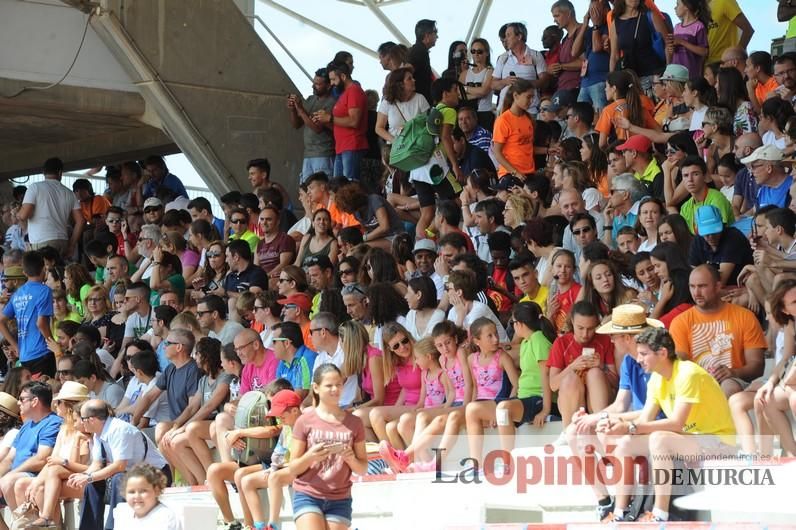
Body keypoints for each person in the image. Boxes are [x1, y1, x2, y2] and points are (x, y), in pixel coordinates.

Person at [598, 327, 735, 522]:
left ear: (662, 353)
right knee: (625, 444)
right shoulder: (657, 378)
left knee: (659, 439)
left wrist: (630, 427)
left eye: (644, 354)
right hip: (690, 440)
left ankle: (660, 514)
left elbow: (677, 423)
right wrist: (617, 423)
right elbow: (644, 420)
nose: (638, 360)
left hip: (718, 441)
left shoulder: (689, 373)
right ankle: (619, 513)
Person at [566, 304, 664, 522]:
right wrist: (591, 418)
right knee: (575, 432)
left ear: (627, 338)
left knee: (606, 431)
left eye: (614, 335)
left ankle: (623, 505)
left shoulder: (655, 358)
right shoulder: (629, 361)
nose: (610, 340)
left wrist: (601, 418)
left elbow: (651, 412)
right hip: (637, 426)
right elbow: (620, 404)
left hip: (656, 429)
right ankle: (605, 502)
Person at [69, 399, 170, 530]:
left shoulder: (120, 430)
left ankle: (113, 527)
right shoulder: (98, 434)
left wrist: (89, 477)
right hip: (132, 475)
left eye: (82, 418)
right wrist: (83, 476)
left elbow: (119, 466)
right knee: (92, 483)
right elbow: (97, 463)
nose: (81, 422)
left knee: (118, 478)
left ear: (91, 419)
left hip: (157, 475)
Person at [288, 364, 367, 530]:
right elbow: (293, 468)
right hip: (307, 493)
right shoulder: (304, 421)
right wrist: (311, 456)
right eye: (329, 385)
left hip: (340, 497)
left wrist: (350, 458)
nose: (335, 389)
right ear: (316, 388)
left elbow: (362, 469)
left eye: (338, 384)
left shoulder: (355, 423)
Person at [669, 265, 766, 398]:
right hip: (697, 383)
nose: (696, 293)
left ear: (718, 286)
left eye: (702, 286)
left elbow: (757, 366)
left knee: (728, 386)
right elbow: (680, 363)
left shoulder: (745, 316)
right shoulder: (680, 322)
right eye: (692, 286)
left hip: (736, 382)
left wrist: (733, 373)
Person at [0, 382, 63, 530]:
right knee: (7, 480)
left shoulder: (53, 423)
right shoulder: (26, 426)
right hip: (18, 477)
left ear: (35, 401)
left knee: (8, 481)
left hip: (37, 476)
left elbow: (42, 458)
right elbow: (9, 459)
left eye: (22, 399)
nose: (18, 402)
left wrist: (10, 475)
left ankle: (25, 524)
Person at [547, 301, 617, 431]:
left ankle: (601, 427)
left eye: (590, 329)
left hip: (598, 400)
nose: (585, 334)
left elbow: (616, 382)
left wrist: (601, 367)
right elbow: (553, 385)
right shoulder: (561, 343)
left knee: (594, 373)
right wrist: (572, 367)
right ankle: (569, 432)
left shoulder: (604, 341)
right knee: (570, 379)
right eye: (580, 328)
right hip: (572, 400)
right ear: (572, 322)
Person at [0, 251, 55, 377]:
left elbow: (1, 320)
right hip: (42, 352)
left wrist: (16, 346)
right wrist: (52, 344)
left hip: (24, 355)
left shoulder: (18, 294)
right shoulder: (44, 290)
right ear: (44, 269)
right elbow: (41, 323)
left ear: (24, 272)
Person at [312, 62, 368, 181]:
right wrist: (324, 119)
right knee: (338, 187)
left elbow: (354, 121)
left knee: (349, 185)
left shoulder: (354, 91)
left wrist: (330, 118)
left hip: (352, 145)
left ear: (343, 76)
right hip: (342, 147)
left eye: (333, 79)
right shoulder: (345, 93)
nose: (331, 84)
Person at [17, 158, 84, 257]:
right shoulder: (69, 193)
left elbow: (23, 215)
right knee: (58, 271)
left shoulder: (35, 187)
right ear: (60, 172)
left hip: (42, 241)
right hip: (62, 241)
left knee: (43, 272)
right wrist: (72, 245)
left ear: (43, 172)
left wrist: (17, 213)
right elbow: (81, 221)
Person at [288, 68, 336, 182]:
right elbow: (297, 125)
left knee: (322, 188)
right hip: (308, 154)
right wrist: (293, 110)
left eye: (318, 84)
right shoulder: (310, 99)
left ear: (328, 86)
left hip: (323, 153)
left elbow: (317, 128)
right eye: (313, 83)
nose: (314, 86)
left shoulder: (332, 103)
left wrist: (300, 109)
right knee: (307, 190)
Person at [492, 22, 550, 116]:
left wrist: (524, 83)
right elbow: (493, 85)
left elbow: (544, 81)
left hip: (529, 111)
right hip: (505, 110)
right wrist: (505, 81)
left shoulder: (536, 55)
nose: (505, 39)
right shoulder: (503, 58)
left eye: (508, 35)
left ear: (519, 36)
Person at [688, 205, 753, 286]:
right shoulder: (698, 241)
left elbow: (720, 282)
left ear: (722, 224)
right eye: (706, 234)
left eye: (714, 232)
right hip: (710, 288)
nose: (711, 237)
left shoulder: (733, 237)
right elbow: (692, 276)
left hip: (738, 286)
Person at [114, 463, 181, 529]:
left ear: (156, 491)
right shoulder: (122, 513)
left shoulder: (165, 517)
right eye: (131, 492)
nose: (137, 496)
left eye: (143, 491)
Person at [493, 79, 536, 178]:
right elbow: (497, 152)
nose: (531, 101)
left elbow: (526, 146)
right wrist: (515, 172)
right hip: (510, 174)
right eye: (528, 97)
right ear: (516, 96)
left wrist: (547, 150)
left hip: (528, 172)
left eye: (532, 98)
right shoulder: (503, 120)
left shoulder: (528, 118)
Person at [679, 155, 734, 233]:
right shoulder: (685, 208)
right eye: (685, 175)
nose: (690, 179)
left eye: (695, 174)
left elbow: (719, 234)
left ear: (705, 176)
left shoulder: (717, 199)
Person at [706, 0, 754, 64]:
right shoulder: (697, 9)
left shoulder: (725, 1)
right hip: (707, 67)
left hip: (727, 65)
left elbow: (748, 30)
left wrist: (736, 55)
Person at [407, 19, 437, 102]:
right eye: (435, 32)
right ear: (427, 35)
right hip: (419, 101)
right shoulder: (419, 51)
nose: (437, 36)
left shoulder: (419, 50)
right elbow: (406, 71)